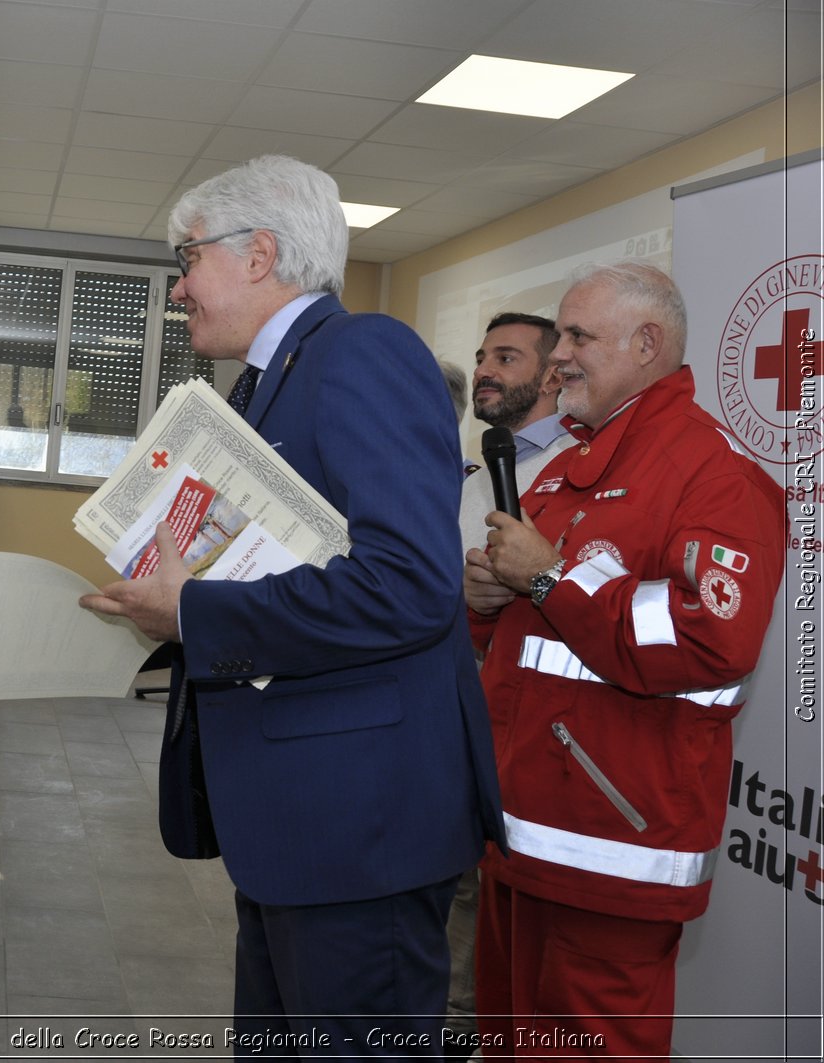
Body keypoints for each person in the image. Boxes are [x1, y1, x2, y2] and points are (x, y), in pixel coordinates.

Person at [80, 155, 502, 1057]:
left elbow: (407, 584)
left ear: (259, 254)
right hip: (299, 821)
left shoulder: (364, 352)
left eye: (186, 259)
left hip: (360, 825)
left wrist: (193, 613)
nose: (178, 288)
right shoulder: (269, 379)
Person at [465, 262, 786, 1059]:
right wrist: (482, 603)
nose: (556, 359)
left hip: (613, 854)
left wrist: (545, 575)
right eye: (559, 336)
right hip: (519, 841)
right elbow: (525, 641)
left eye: (578, 336)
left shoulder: (714, 475)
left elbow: (714, 641)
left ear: (648, 342)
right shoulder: (572, 470)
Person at [446, 311, 573, 1052]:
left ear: (552, 373)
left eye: (507, 356)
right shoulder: (477, 466)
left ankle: (461, 1030)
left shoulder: (568, 470)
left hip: (510, 705)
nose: (486, 370)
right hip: (446, 686)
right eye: (482, 356)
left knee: (476, 888)